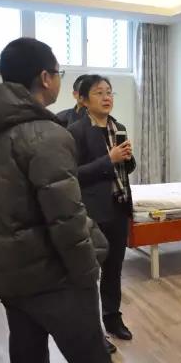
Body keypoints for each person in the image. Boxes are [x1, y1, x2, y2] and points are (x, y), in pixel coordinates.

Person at [0, 37, 122, 363]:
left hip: (9, 276)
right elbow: (67, 218)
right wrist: (88, 273)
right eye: (58, 73)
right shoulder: (46, 134)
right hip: (53, 278)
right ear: (45, 77)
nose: (58, 80)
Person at [68, 75, 136, 346]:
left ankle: (113, 318)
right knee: (89, 274)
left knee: (114, 269)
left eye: (109, 92)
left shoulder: (119, 127)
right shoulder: (76, 131)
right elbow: (73, 174)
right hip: (92, 213)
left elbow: (126, 169)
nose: (107, 97)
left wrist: (127, 158)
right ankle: (93, 331)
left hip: (118, 207)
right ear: (84, 100)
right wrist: (109, 159)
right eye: (99, 93)